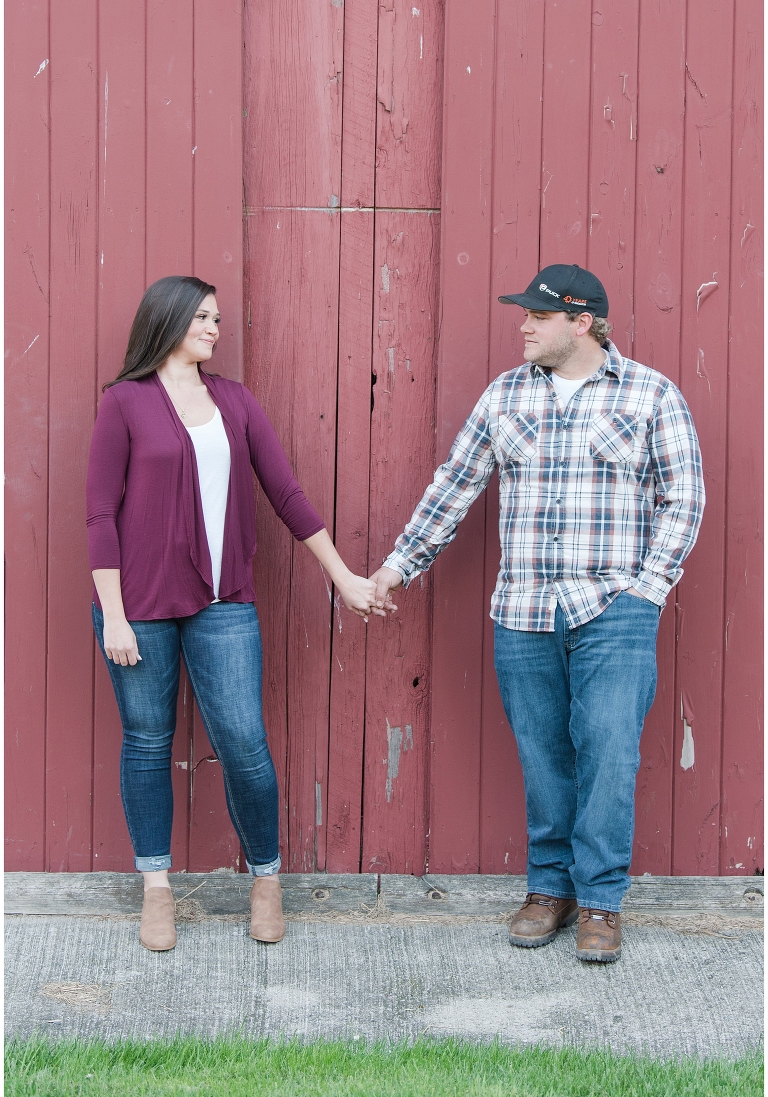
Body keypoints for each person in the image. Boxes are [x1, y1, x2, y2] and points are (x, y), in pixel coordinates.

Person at [370, 264, 704, 962]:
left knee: (609, 754)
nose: (523, 325)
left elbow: (684, 500)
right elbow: (453, 488)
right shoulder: (505, 396)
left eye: (537, 316)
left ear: (581, 323)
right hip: (522, 610)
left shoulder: (650, 395)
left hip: (614, 608)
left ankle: (602, 901)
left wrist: (647, 590)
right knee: (544, 757)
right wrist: (398, 568)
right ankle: (549, 890)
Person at [87, 275, 381, 952]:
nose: (215, 328)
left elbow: (286, 493)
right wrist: (116, 616)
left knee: (244, 743)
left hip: (222, 603)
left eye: (217, 319)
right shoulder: (124, 404)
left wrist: (343, 578)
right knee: (147, 742)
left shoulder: (235, 403)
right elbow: (99, 514)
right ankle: (156, 891)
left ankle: (266, 879)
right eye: (203, 318)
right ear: (168, 321)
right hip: (137, 608)